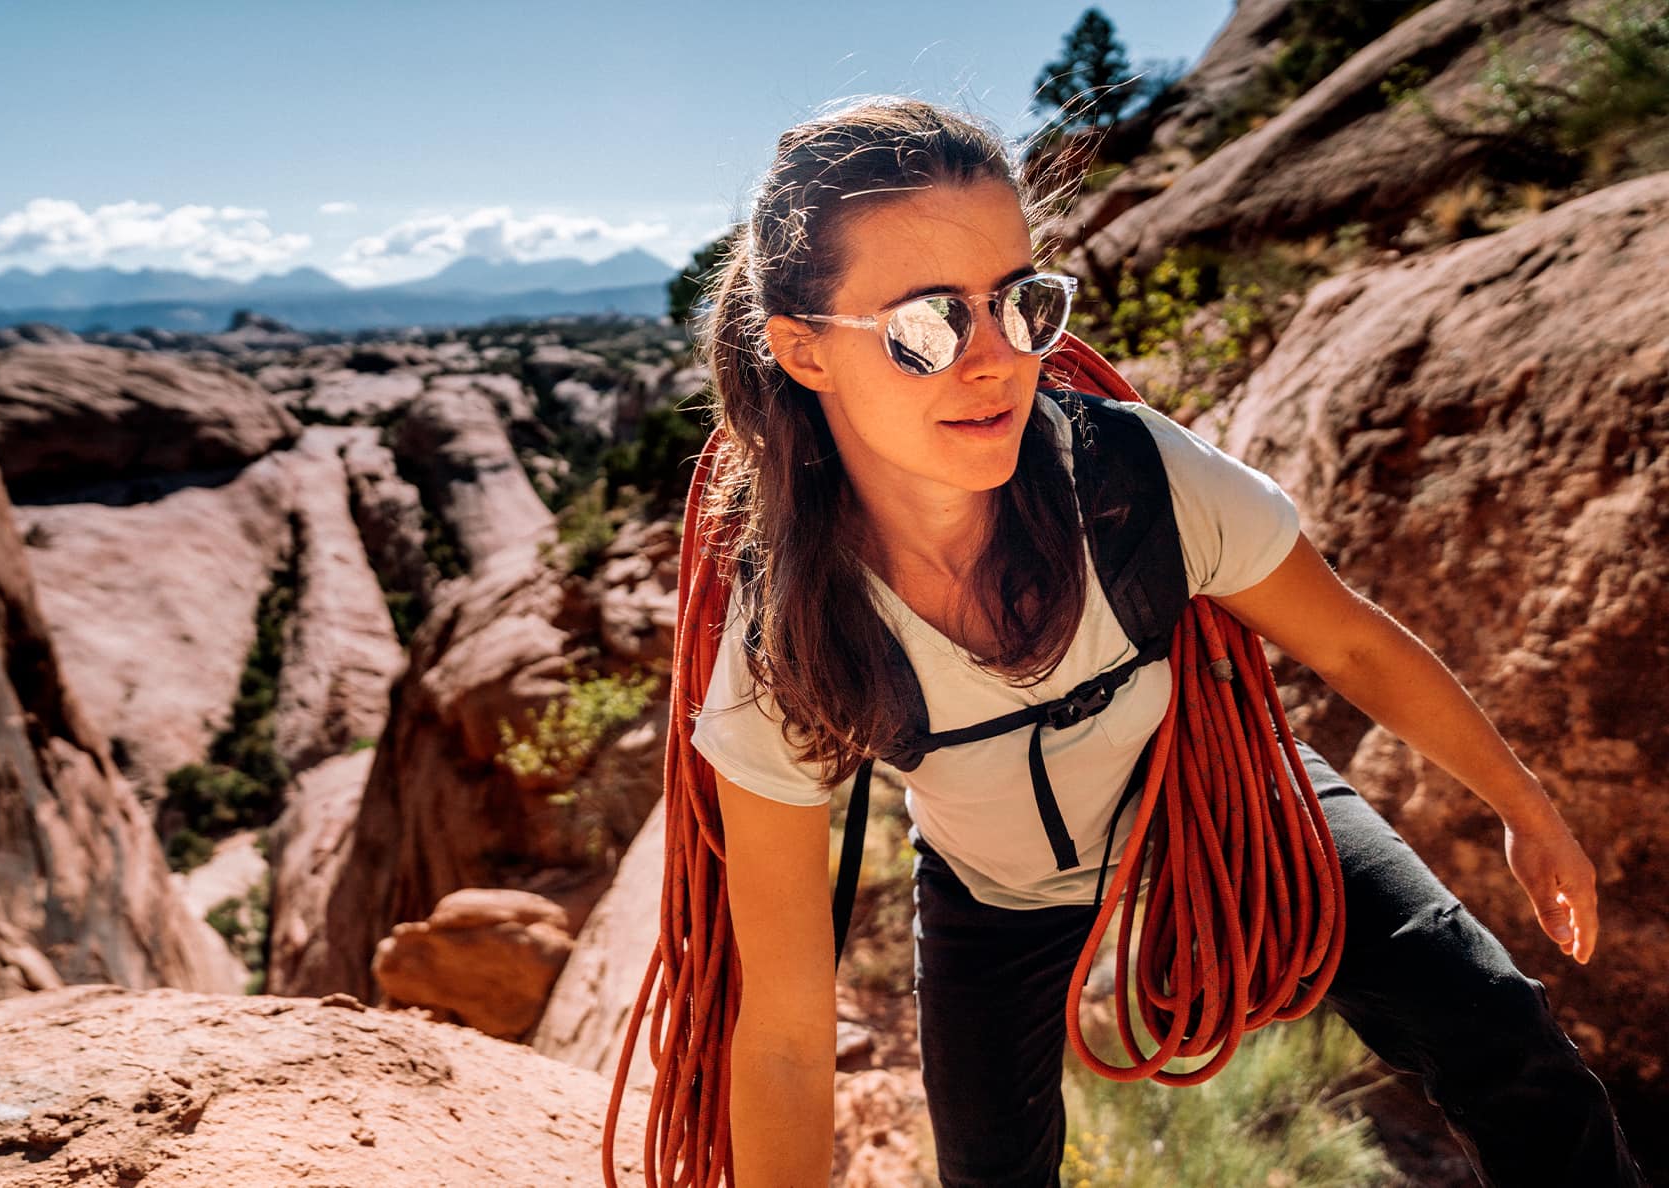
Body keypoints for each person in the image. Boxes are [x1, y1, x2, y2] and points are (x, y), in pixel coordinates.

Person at [686, 95, 1647, 1188]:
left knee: (1499, 1032)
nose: (995, 360)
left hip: (1227, 800)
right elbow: (785, 1036)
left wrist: (1526, 811)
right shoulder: (791, 636)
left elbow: (1353, 647)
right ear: (805, 351)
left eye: (1020, 303)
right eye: (928, 324)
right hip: (997, 894)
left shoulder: (1133, 478)